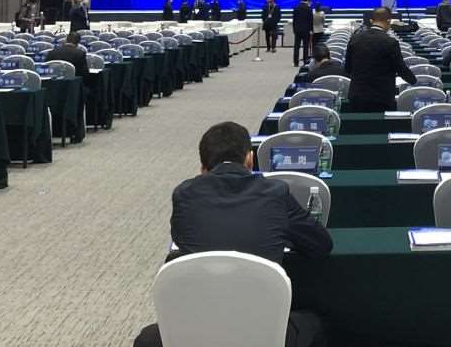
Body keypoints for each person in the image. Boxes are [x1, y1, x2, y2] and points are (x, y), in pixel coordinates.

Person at [133, 121, 331, 347]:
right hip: (262, 330)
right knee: (313, 325)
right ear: (250, 159)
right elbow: (321, 244)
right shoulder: (275, 193)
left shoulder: (184, 195)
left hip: (198, 330)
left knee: (148, 339)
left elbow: (184, 241)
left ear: (203, 169)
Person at [344, 6, 417, 112]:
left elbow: (348, 68)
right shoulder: (390, 42)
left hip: (357, 96)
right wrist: (414, 81)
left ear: (371, 21)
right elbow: (401, 69)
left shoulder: (354, 39)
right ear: (389, 21)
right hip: (382, 97)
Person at [292, 0, 314, 68]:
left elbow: (294, 20)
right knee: (305, 46)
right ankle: (305, 61)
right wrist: (311, 30)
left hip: (297, 30)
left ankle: (296, 62)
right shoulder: (309, 8)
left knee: (296, 46)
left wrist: (294, 29)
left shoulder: (296, 8)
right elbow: (311, 20)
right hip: (306, 30)